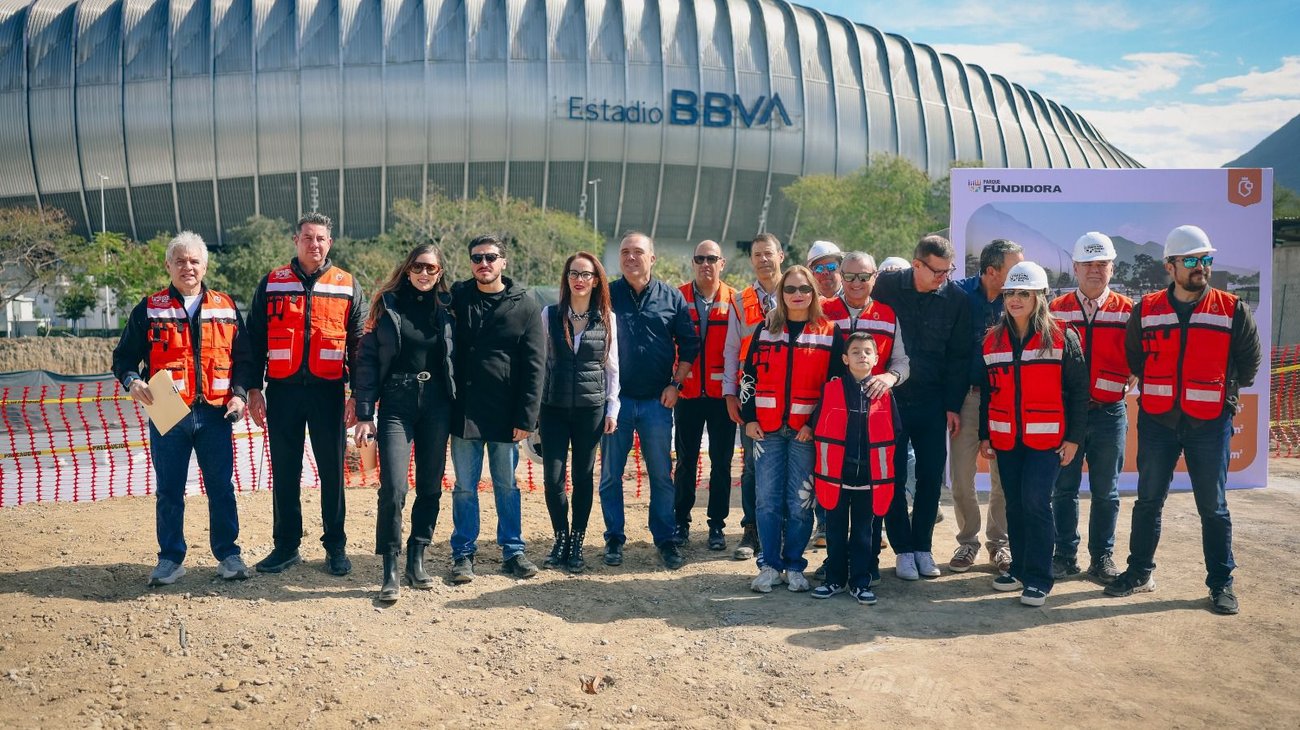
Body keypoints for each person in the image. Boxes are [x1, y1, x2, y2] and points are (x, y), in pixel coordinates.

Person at [1105, 225, 1262, 615]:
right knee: (1148, 502)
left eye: (1205, 259)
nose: (1200, 267)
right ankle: (1139, 572)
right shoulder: (1147, 309)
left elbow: (1249, 362)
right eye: (1190, 260)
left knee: (1213, 507)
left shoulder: (1231, 308)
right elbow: (1135, 356)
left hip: (1209, 423)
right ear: (1170, 266)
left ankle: (1221, 583)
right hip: (1158, 421)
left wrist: (1225, 399)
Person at [112, 232, 251, 586]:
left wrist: (239, 394)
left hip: (216, 413)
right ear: (168, 265)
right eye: (180, 261)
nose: (187, 267)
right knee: (169, 490)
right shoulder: (149, 308)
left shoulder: (226, 306)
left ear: (205, 265)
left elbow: (244, 359)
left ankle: (229, 555)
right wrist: (132, 381)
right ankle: (170, 559)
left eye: (194, 261)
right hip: (167, 411)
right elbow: (123, 358)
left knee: (221, 488)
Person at [244, 213, 367, 576]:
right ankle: (286, 546)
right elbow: (253, 339)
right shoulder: (272, 283)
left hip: (329, 391)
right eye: (308, 237)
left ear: (330, 243)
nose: (315, 244)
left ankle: (336, 546)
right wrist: (253, 389)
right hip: (282, 391)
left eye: (321, 238)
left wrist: (356, 397)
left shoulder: (347, 284)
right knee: (285, 471)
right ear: (296, 240)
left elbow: (359, 346)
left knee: (333, 473)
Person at [978, 261, 1088, 606]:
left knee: (1036, 502)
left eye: (1024, 293)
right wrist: (985, 434)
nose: (1015, 299)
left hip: (1047, 440)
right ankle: (1020, 569)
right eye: (1010, 292)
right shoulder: (992, 340)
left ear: (1040, 296)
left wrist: (1074, 439)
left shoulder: (1063, 336)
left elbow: (1079, 392)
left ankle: (1040, 577)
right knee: (1014, 504)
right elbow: (988, 392)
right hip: (1006, 439)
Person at [352, 244, 455, 602]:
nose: (424, 273)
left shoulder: (450, 309)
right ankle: (390, 568)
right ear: (408, 269)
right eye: (418, 266)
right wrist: (365, 413)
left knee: (430, 485)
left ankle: (417, 557)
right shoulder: (387, 305)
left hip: (437, 404)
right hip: (397, 401)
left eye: (431, 268)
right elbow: (366, 360)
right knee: (394, 487)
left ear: (440, 272)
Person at [872, 235, 971, 581]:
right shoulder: (885, 287)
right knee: (894, 477)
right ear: (916, 265)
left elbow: (960, 357)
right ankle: (902, 549)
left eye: (948, 271)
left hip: (933, 402)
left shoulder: (956, 300)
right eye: (937, 271)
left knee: (930, 477)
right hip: (891, 401)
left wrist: (952, 405)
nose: (943, 278)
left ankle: (922, 548)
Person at [447, 234, 545, 582]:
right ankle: (463, 553)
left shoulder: (525, 305)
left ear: (504, 261)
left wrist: (526, 418)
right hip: (465, 411)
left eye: (490, 257)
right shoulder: (457, 296)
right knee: (464, 486)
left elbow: (535, 366)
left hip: (506, 414)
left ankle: (513, 551)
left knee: (506, 485)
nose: (483, 264)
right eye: (477, 258)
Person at [599, 232, 700, 570]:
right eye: (625, 252)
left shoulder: (672, 297)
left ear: (652, 258)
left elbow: (689, 345)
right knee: (611, 475)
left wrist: (676, 384)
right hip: (616, 402)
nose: (631, 257)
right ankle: (614, 538)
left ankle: (665, 539)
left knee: (661, 474)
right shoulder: (606, 295)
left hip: (658, 401)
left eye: (638, 252)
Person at [741, 266, 835, 593]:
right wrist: (749, 417)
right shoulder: (765, 329)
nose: (798, 294)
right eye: (790, 289)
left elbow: (834, 386)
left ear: (814, 293)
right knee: (766, 501)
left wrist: (813, 423)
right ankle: (769, 565)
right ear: (781, 293)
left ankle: (794, 565)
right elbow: (749, 376)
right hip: (765, 430)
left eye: (804, 289)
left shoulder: (828, 332)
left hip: (804, 433)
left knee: (800, 503)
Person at [818, 251, 910, 583]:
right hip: (833, 417)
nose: (856, 283)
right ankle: (834, 563)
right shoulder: (824, 310)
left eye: (864, 276)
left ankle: (868, 562)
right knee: (832, 490)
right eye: (849, 276)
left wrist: (889, 377)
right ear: (840, 276)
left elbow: (902, 361)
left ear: (875, 278)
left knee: (872, 490)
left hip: (873, 417)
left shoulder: (888, 314)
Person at [1049, 232, 1135, 583]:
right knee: (1064, 488)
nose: (1095, 270)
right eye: (1088, 264)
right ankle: (1064, 555)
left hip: (1109, 412)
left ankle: (1102, 558)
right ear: (1075, 267)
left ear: (1112, 267)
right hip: (1068, 414)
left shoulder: (1128, 310)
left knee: (1106, 491)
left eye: (1102, 264)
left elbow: (1141, 356)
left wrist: (1133, 373)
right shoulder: (1056, 309)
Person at [538, 252, 620, 573]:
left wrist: (613, 408)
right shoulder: (549, 314)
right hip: (553, 408)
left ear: (596, 280)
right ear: (566, 278)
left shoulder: (608, 318)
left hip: (591, 409)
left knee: (583, 477)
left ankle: (577, 542)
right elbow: (541, 363)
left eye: (586, 274)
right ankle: (560, 537)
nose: (579, 279)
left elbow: (612, 368)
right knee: (553, 478)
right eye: (574, 273)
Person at [806, 333, 901, 605]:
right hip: (836, 477)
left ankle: (860, 582)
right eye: (856, 351)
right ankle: (834, 579)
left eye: (868, 351)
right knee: (835, 531)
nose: (862, 355)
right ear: (845, 359)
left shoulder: (885, 395)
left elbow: (895, 431)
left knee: (863, 533)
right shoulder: (831, 389)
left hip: (869, 479)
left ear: (876, 358)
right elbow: (818, 425)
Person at [950, 240, 1025, 573]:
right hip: (967, 398)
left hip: (1006, 397)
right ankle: (968, 542)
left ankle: (1000, 544)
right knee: (961, 476)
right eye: (1014, 268)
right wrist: (950, 402)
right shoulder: (958, 294)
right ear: (992, 271)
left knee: (1004, 475)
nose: (1021, 274)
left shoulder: (1023, 297)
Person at [673, 240, 741, 551]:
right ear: (693, 262)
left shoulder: (735, 300)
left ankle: (717, 525)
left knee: (722, 462)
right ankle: (681, 521)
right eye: (700, 258)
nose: (705, 264)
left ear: (721, 263)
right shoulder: (678, 297)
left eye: (711, 258)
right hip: (687, 394)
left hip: (721, 396)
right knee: (685, 461)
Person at [723, 233, 786, 560]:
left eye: (768, 253)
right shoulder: (740, 300)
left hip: (790, 392)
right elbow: (731, 349)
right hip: (752, 395)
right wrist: (730, 392)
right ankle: (752, 529)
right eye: (757, 254)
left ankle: (787, 529)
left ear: (781, 256)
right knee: (751, 465)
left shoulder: (798, 291)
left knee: (792, 461)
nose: (763, 259)